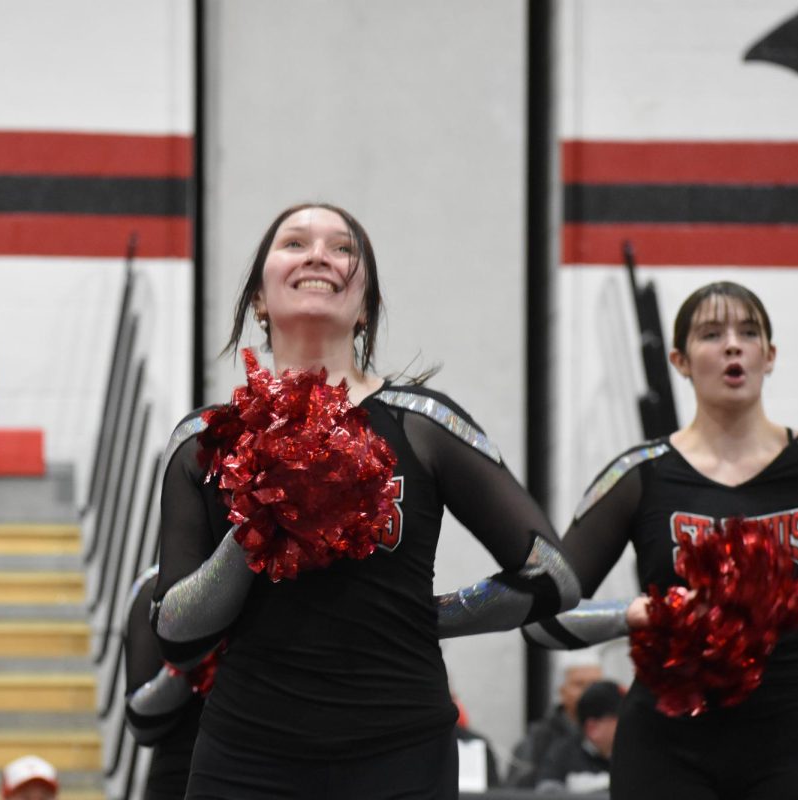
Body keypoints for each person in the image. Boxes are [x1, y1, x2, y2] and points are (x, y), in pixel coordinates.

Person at [148, 203, 581, 798]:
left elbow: (553, 576)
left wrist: (427, 615)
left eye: (343, 248)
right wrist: (257, 527)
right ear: (257, 299)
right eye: (294, 243)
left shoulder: (424, 424)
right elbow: (175, 633)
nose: (319, 254)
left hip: (400, 755)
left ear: (365, 306)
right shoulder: (203, 443)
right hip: (246, 759)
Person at [524, 281, 798, 799]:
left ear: (769, 356)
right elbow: (540, 617)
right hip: (666, 750)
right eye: (712, 334)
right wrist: (633, 613)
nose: (733, 345)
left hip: (791, 745)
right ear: (680, 360)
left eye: (748, 332)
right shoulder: (640, 475)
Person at [125, 566, 203, 800]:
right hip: (179, 775)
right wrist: (197, 660)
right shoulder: (156, 587)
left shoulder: (271, 574)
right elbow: (140, 722)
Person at [503, 654, 604, 788]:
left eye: (595, 684)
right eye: (579, 684)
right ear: (562, 690)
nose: (589, 692)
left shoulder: (615, 735)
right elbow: (515, 792)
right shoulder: (537, 741)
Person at [534, 679, 622, 795]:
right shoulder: (561, 755)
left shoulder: (635, 754)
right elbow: (546, 792)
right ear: (593, 728)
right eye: (621, 719)